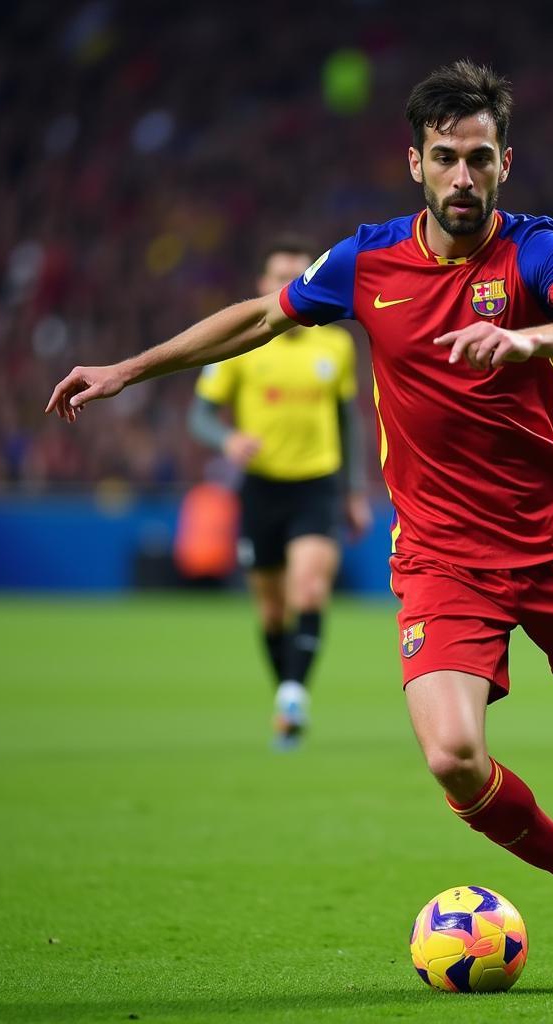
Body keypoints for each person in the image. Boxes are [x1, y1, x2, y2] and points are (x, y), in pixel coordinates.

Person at [47, 60, 553, 989]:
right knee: (453, 758)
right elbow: (258, 319)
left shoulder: (534, 249)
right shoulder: (368, 261)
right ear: (415, 163)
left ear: (504, 163)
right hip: (444, 556)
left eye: (479, 159)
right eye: (445, 158)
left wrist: (528, 336)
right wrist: (127, 369)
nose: (462, 178)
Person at [186, 238, 372, 747]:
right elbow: (199, 415)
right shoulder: (242, 346)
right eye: (279, 277)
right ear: (263, 287)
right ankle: (287, 692)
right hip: (261, 488)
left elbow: (346, 421)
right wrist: (228, 438)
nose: (289, 286)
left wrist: (354, 491)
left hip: (317, 485)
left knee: (308, 590)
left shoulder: (334, 344)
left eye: (299, 277)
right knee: (271, 610)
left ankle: (293, 694)